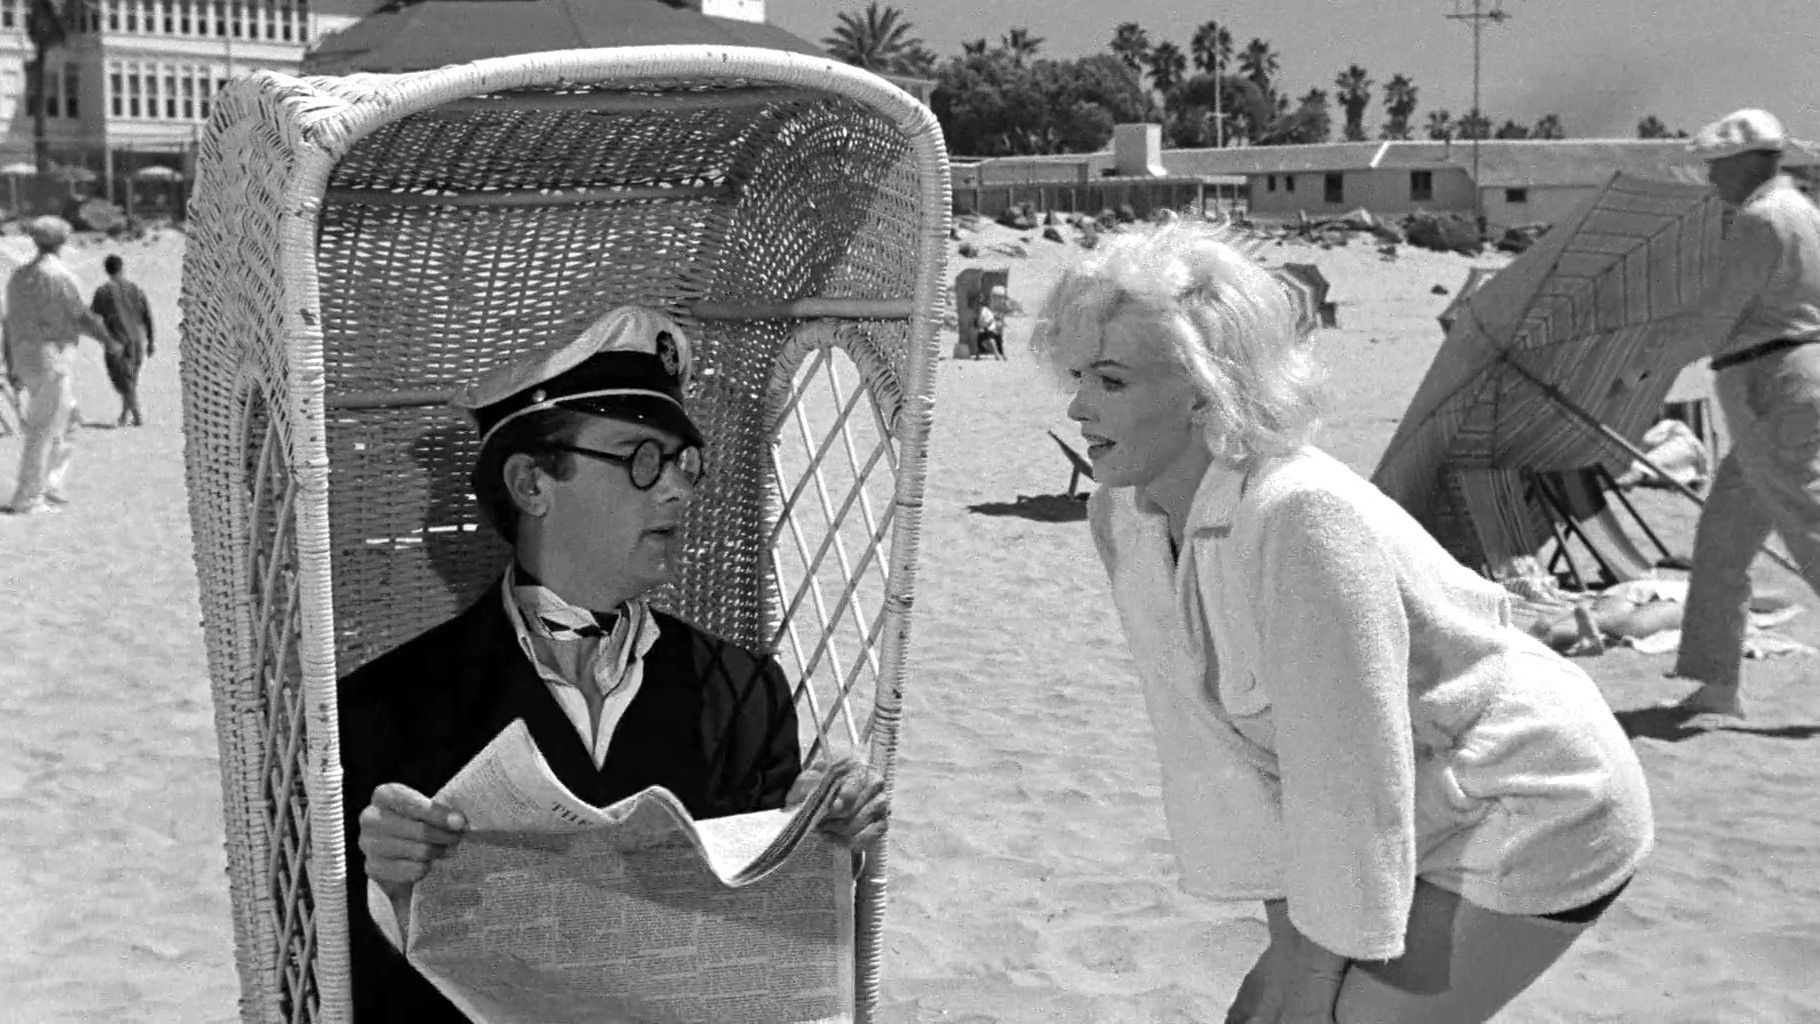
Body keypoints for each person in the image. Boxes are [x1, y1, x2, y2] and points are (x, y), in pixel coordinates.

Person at [1033, 222, 1653, 1024]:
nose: (1078, 406)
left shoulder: (1301, 519)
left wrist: (1312, 971)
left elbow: (1346, 773)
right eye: (1078, 376)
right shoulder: (1127, 516)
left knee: (1344, 1018)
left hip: (1530, 798)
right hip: (1409, 804)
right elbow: (1211, 744)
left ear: (1204, 387)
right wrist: (1290, 949)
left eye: (1112, 381)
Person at [338, 305, 888, 1022]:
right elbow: (339, 984)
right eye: (641, 458)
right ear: (532, 485)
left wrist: (819, 836)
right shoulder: (383, 708)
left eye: (684, 462)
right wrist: (387, 890)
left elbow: (775, 962)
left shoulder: (744, 693)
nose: (677, 489)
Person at [1667, 108, 1820, 721]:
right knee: (1723, 540)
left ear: (1746, 162)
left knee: (1809, 528)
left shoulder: (1761, 219)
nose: (1712, 180)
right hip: (1788, 378)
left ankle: (1716, 683)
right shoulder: (1804, 212)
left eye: (1717, 167)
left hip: (1769, 381)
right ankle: (1715, 682)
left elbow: (1720, 314)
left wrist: (1647, 364)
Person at [2, 216, 118, 515]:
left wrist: (12, 362)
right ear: (62, 242)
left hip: (25, 356)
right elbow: (81, 316)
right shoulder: (60, 275)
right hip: (50, 358)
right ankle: (28, 497)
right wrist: (109, 341)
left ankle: (51, 485)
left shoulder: (19, 277)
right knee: (44, 426)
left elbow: (9, 321)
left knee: (67, 419)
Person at [90, 253, 155, 427]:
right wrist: (151, 341)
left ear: (106, 270)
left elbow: (94, 319)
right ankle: (125, 414)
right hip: (137, 341)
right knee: (130, 379)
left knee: (124, 381)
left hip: (116, 342)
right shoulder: (136, 290)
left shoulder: (102, 293)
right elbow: (147, 317)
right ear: (122, 268)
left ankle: (137, 415)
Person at [974, 284, 1008, 360]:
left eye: (1001, 297)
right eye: (996, 297)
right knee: (980, 340)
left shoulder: (987, 310)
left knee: (992, 339)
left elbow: (990, 320)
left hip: (990, 330)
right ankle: (978, 355)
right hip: (984, 330)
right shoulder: (982, 310)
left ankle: (998, 355)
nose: (1000, 300)